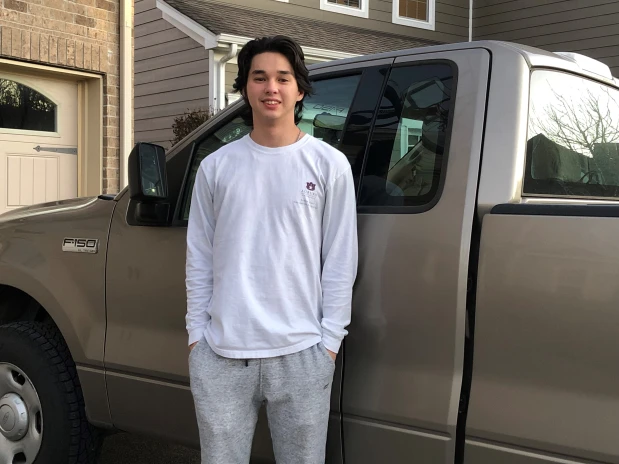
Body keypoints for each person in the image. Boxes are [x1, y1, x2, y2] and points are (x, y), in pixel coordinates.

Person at [185, 35, 358, 464]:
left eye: (283, 77)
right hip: (221, 355)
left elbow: (340, 259)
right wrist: (196, 339)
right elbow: (199, 257)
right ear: (245, 87)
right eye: (259, 77)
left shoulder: (329, 165)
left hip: (303, 354)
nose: (271, 88)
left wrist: (330, 342)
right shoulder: (216, 167)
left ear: (300, 88)